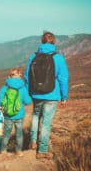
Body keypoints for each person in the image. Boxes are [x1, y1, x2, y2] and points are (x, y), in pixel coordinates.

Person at [24, 31, 69, 159]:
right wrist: (64, 96)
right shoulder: (58, 58)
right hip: (52, 94)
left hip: (36, 94)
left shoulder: (33, 56)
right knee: (46, 122)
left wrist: (28, 92)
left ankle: (32, 141)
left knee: (35, 115)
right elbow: (63, 78)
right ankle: (42, 150)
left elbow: (27, 76)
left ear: (42, 41)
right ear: (53, 41)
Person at [0, 67, 32, 156]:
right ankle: (18, 151)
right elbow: (28, 101)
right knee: (19, 134)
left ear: (10, 76)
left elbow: (0, 101)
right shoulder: (22, 88)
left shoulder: (4, 87)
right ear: (20, 75)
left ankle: (3, 150)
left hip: (7, 115)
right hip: (19, 115)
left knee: (6, 133)